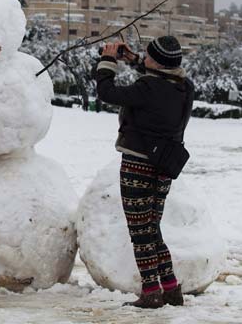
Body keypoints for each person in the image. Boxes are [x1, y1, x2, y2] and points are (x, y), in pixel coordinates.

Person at [94, 36, 194, 309]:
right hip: (164, 163)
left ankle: (151, 291)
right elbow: (158, 77)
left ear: (157, 63)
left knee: (140, 230)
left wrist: (108, 61)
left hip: (138, 163)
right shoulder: (184, 86)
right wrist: (135, 60)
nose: (144, 59)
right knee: (152, 227)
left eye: (148, 56)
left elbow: (107, 92)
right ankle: (171, 288)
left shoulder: (147, 86)